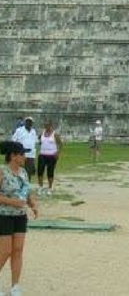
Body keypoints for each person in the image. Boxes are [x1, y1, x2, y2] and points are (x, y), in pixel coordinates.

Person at [0, 141, 38, 296]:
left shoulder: (23, 172)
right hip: (4, 216)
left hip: (20, 217)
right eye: (22, 154)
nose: (24, 156)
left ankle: (15, 286)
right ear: (13, 156)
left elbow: (26, 192)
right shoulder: (2, 171)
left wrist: (33, 205)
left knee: (17, 250)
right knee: (5, 251)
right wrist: (12, 202)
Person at [37, 122, 63, 196]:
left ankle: (50, 188)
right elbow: (39, 141)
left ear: (51, 126)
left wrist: (58, 152)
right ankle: (40, 187)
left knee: (50, 172)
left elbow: (60, 143)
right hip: (42, 155)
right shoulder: (42, 133)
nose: (47, 127)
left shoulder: (55, 134)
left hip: (51, 156)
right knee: (40, 171)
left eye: (49, 126)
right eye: (46, 126)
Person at [11, 117, 38, 182]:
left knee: (29, 171)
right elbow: (13, 140)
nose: (29, 123)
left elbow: (35, 141)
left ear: (32, 123)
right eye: (27, 121)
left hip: (31, 154)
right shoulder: (19, 130)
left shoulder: (33, 131)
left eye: (30, 122)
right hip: (21, 153)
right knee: (20, 170)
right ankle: (19, 184)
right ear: (25, 122)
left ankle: (27, 185)